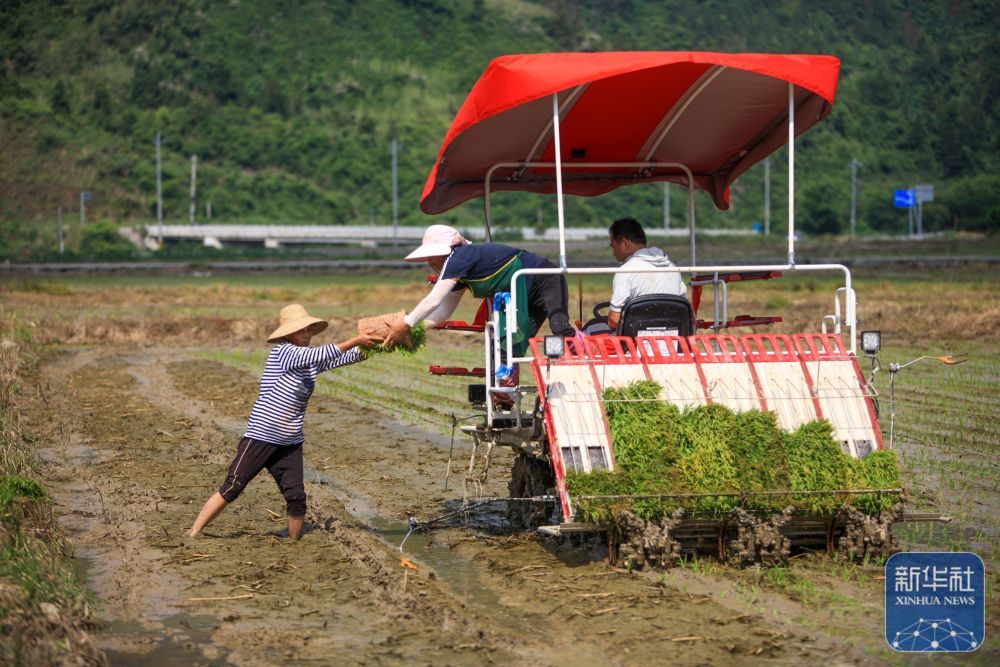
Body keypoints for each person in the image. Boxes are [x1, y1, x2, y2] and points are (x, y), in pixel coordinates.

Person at [188, 304, 381, 540]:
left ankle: (293, 543)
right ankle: (194, 531)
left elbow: (341, 358)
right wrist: (354, 339)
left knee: (296, 497)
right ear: (288, 333)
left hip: (289, 441)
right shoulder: (283, 352)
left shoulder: (307, 363)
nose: (308, 335)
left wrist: (378, 346)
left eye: (310, 330)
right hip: (262, 436)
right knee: (233, 486)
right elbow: (318, 354)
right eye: (302, 331)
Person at [383, 224, 577, 358]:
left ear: (444, 251)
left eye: (431, 256)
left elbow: (433, 299)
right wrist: (414, 330)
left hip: (545, 278)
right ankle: (505, 398)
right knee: (510, 346)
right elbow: (443, 310)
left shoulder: (459, 257)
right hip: (523, 295)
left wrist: (406, 324)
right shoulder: (458, 271)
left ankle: (584, 360)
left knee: (559, 327)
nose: (429, 262)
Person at [601, 217, 686, 332]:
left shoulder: (626, 271)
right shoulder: (673, 267)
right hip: (673, 339)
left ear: (624, 244)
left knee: (592, 331)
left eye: (613, 245)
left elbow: (614, 321)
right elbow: (683, 309)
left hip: (638, 343)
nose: (613, 252)